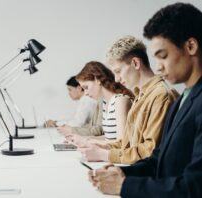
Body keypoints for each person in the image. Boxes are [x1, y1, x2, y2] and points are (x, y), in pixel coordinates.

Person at [89, 3, 202, 197]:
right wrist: (123, 172)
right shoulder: (183, 99)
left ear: (190, 46)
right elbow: (159, 159)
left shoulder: (171, 97)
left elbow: (195, 186)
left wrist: (125, 187)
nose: (158, 67)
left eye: (163, 56)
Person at [81, 35, 178, 163]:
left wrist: (105, 155)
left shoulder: (161, 96)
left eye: (118, 71)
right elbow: (129, 144)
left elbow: (149, 150)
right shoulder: (140, 95)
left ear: (135, 63)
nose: (116, 79)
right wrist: (102, 147)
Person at [58, 61, 133, 144]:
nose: (85, 93)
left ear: (97, 80)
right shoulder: (105, 102)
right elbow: (109, 139)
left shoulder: (120, 100)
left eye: (86, 87)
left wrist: (86, 141)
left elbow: (121, 143)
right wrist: (80, 139)